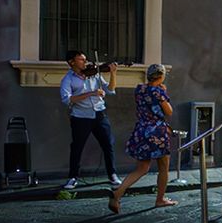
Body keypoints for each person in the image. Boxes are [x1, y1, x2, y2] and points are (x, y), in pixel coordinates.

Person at [109, 64, 175, 213]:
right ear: (161, 76)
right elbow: (169, 111)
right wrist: (164, 92)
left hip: (142, 130)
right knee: (163, 167)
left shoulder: (139, 89)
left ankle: (118, 193)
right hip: (157, 132)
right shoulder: (159, 92)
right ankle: (160, 199)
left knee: (142, 168)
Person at [59, 50, 117, 191]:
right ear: (72, 62)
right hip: (80, 117)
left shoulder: (94, 74)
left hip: (99, 114)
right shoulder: (68, 79)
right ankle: (73, 177)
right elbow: (67, 99)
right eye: (81, 60)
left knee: (108, 144)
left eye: (85, 59)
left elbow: (110, 90)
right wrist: (91, 93)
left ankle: (112, 174)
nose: (85, 62)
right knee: (77, 147)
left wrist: (113, 74)